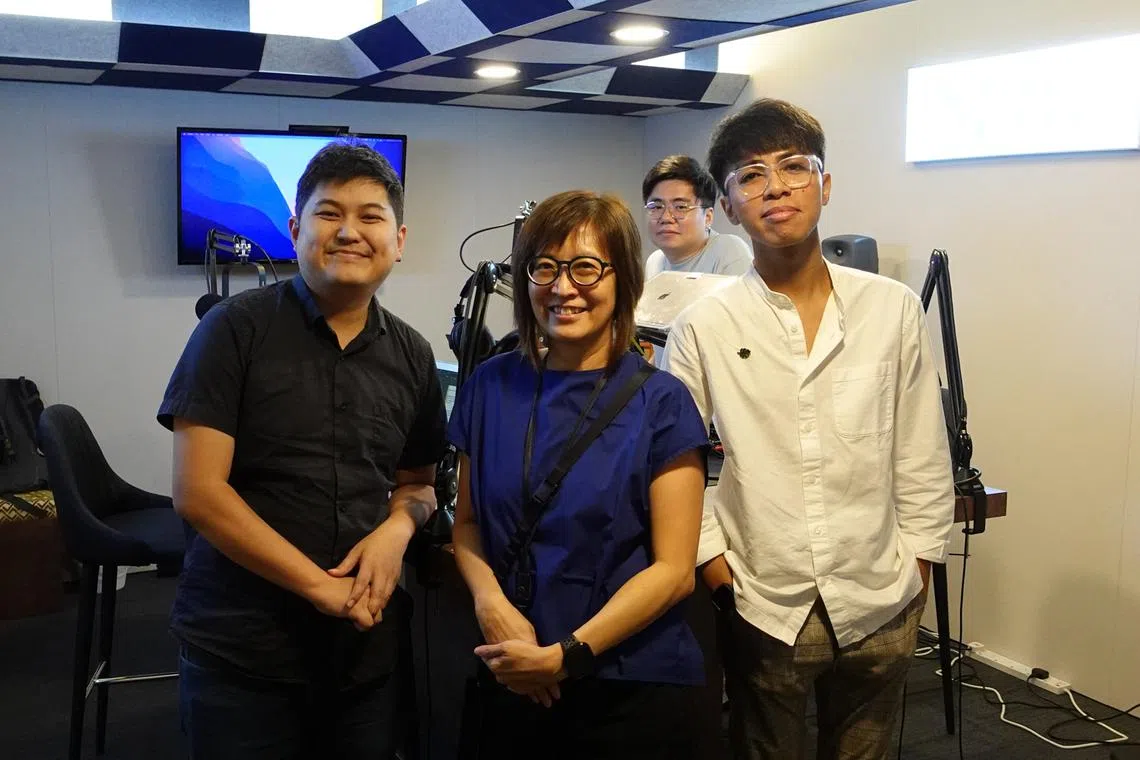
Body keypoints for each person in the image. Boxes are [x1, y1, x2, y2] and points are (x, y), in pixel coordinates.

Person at [661, 99, 954, 760]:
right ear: (731, 206)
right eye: (751, 175)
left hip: (881, 588)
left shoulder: (892, 308)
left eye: (794, 168)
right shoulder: (703, 327)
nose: (776, 187)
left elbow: (920, 448)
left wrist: (921, 563)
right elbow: (679, 463)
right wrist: (716, 569)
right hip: (764, 593)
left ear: (824, 185)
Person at [158, 143, 447, 759]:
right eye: (328, 213)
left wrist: (397, 530)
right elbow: (199, 493)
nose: (349, 231)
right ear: (295, 230)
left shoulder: (413, 356)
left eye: (370, 217)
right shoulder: (233, 330)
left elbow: (418, 484)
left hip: (363, 655)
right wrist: (319, 587)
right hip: (243, 651)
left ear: (398, 239)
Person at [448, 190, 710, 759]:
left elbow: (673, 571)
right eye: (544, 267)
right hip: (512, 667)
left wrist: (565, 656)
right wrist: (492, 607)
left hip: (629, 682)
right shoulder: (489, 388)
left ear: (622, 281)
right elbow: (466, 524)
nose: (563, 287)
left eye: (586, 267)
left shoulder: (662, 403)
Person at [642, 154, 752, 280]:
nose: (666, 218)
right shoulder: (654, 262)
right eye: (656, 207)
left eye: (680, 207)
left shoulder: (729, 251)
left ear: (708, 217)